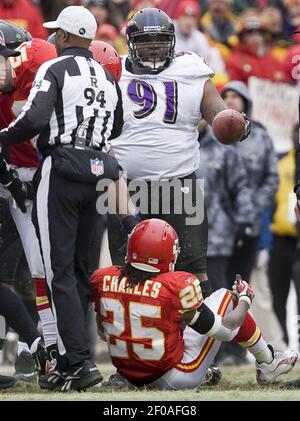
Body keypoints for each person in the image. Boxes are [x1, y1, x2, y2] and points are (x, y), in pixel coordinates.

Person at [0, 5, 136, 392]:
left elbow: (34, 119)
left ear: (65, 36)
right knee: (79, 272)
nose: (54, 37)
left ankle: (75, 361)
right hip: (98, 173)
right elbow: (119, 125)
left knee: (57, 270)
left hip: (61, 168)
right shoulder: (106, 77)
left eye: (57, 32)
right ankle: (81, 358)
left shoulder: (54, 69)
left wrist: (3, 137)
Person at [108, 7, 249, 307]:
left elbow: (215, 110)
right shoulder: (113, 70)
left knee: (194, 276)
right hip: (124, 187)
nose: (154, 46)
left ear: (172, 40)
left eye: (160, 39)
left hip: (180, 186)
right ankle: (138, 346)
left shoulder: (191, 68)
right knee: (128, 276)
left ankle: (199, 349)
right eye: (146, 41)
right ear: (131, 42)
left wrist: (231, 121)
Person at [91, 218, 298, 390]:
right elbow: (226, 330)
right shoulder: (175, 285)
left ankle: (268, 361)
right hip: (173, 376)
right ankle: (268, 362)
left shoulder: (103, 278)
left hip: (130, 374)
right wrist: (244, 299)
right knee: (226, 297)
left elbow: (103, 332)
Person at [0, 22, 59, 380]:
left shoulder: (34, 68)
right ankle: (39, 344)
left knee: (41, 269)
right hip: (15, 180)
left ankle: (42, 345)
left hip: (34, 178)